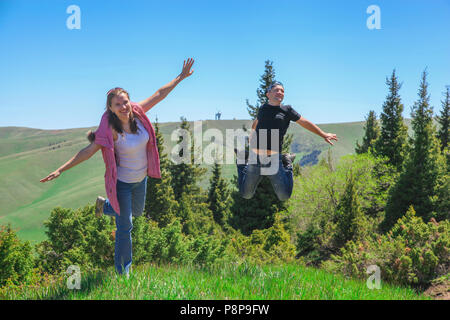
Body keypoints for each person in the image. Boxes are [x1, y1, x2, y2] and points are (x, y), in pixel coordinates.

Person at [40, 58, 195, 276]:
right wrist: (60, 169)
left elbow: (160, 94)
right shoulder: (111, 131)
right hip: (122, 184)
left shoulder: (139, 115)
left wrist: (180, 77)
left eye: (125, 102)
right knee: (126, 227)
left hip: (141, 180)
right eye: (117, 104)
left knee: (137, 212)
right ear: (111, 109)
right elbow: (88, 151)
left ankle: (104, 207)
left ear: (130, 102)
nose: (123, 107)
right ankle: (124, 273)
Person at [236, 81, 338, 201]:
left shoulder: (287, 110)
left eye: (282, 91)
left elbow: (304, 122)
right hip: (255, 158)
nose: (280, 92)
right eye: (276, 90)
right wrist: (252, 134)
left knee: (284, 196)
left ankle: (288, 163)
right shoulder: (263, 108)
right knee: (246, 194)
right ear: (268, 94)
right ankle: (242, 160)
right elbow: (257, 121)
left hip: (274, 159)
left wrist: (323, 134)